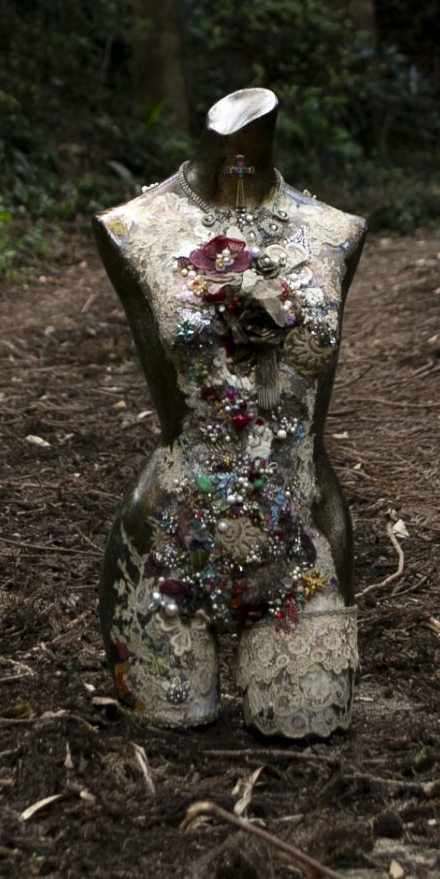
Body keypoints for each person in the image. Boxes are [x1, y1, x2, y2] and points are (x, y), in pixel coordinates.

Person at [94, 86, 365, 737]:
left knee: (308, 759)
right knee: (166, 764)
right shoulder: (133, 226)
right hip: (167, 551)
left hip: (302, 550)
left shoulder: (336, 232)